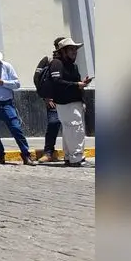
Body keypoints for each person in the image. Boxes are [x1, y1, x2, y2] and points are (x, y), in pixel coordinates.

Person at [47, 37, 93, 167]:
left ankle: (69, 157)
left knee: (70, 130)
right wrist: (76, 84)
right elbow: (57, 82)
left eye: (75, 49)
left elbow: (72, 83)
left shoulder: (72, 66)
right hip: (66, 103)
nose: (75, 52)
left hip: (74, 101)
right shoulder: (57, 63)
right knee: (75, 130)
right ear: (63, 51)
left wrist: (82, 83)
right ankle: (77, 158)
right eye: (71, 49)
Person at [34, 37, 66, 162]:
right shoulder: (47, 60)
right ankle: (48, 152)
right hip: (52, 99)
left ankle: (71, 153)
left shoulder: (69, 62)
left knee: (71, 126)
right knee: (53, 123)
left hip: (68, 99)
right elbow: (37, 79)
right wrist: (45, 97)